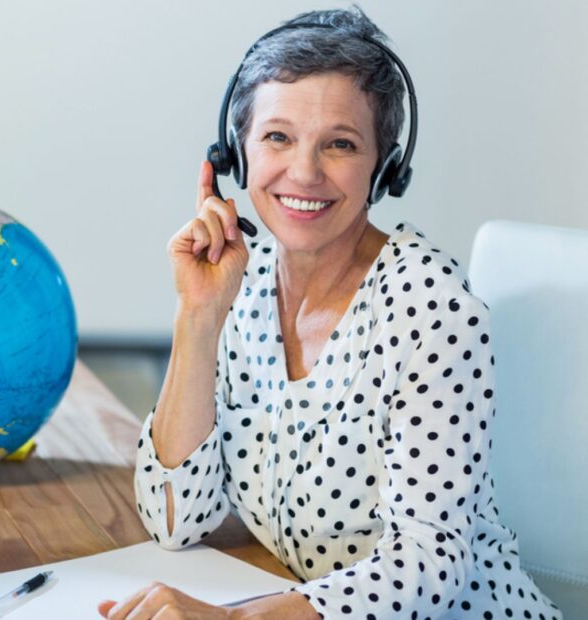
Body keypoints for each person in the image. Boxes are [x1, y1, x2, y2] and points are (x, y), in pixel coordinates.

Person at [98, 7, 560, 620]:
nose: (305, 172)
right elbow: (175, 520)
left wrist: (235, 619)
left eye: (340, 144)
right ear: (236, 155)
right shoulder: (241, 278)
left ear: (385, 167)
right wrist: (199, 314)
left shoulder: (434, 312)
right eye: (278, 137)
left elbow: (427, 563)